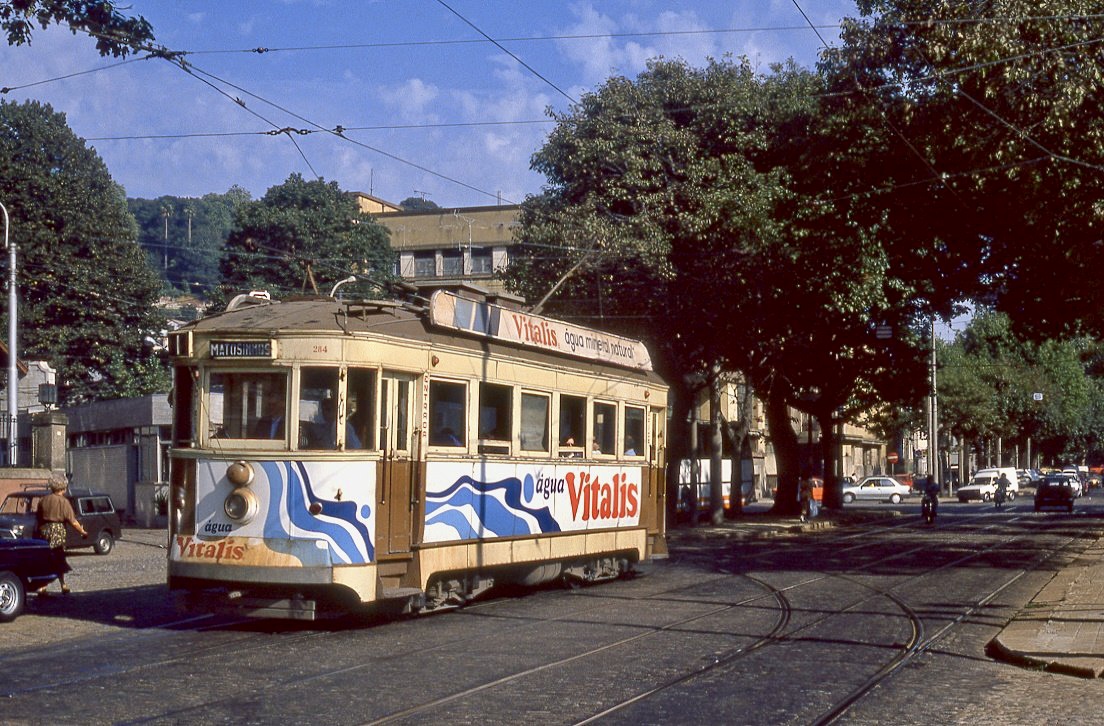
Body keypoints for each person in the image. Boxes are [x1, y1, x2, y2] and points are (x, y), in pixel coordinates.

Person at [35, 474, 88, 595]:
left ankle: (43, 586)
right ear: (63, 488)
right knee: (58, 557)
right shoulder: (64, 502)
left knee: (46, 558)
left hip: (44, 530)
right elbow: (73, 521)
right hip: (58, 531)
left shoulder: (43, 500)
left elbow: (38, 517)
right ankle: (62, 584)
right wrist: (82, 532)